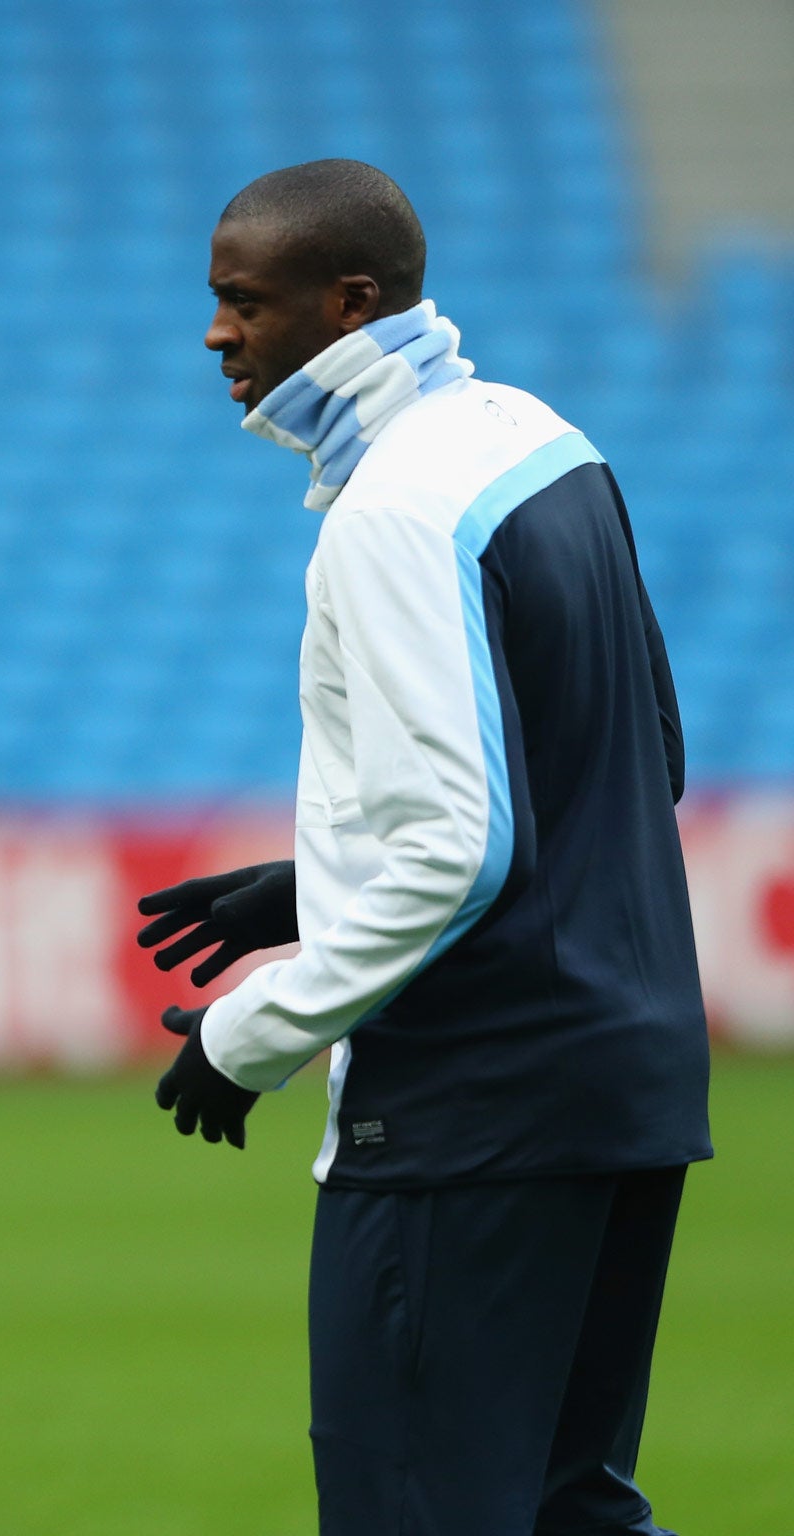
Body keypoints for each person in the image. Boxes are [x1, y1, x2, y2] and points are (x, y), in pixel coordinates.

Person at [138, 161, 711, 1534]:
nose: (217, 333)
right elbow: (642, 757)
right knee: (572, 1508)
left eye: (243, 303)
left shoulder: (393, 509)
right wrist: (311, 886)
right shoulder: (537, 439)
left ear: (349, 303)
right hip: (620, 1084)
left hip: (473, 1112)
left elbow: (455, 850)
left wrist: (252, 1033)